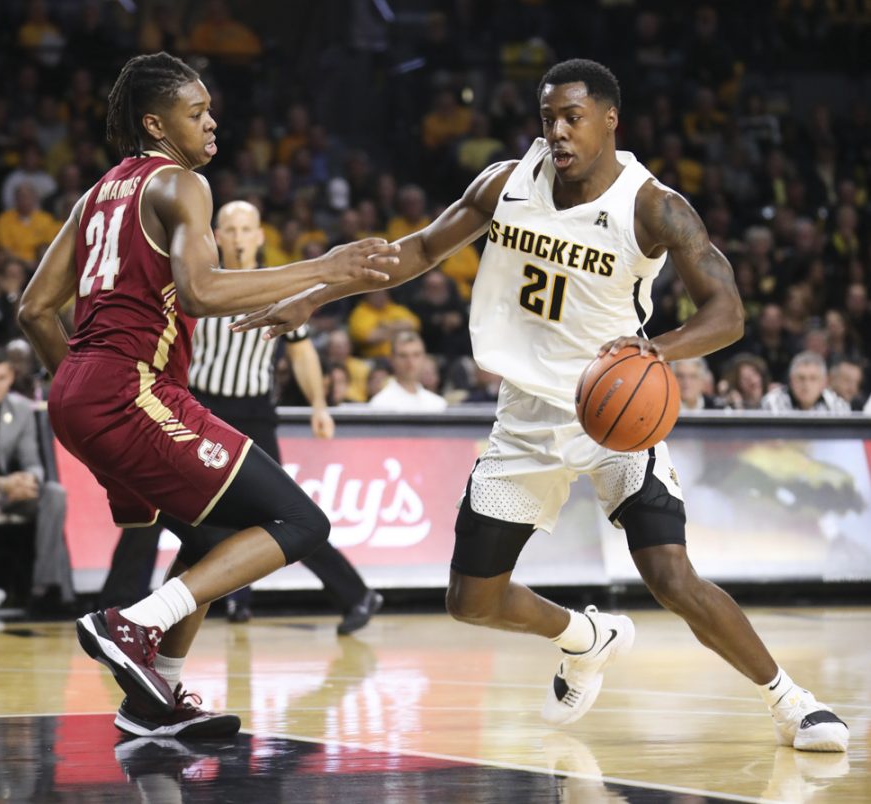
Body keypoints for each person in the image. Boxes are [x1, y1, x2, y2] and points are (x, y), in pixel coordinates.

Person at [236, 59, 848, 752]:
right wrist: (317, 296)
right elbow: (417, 252)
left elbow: (728, 313)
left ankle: (792, 703)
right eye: (547, 117)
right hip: (526, 416)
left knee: (672, 575)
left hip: (615, 410)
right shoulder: (506, 182)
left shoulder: (653, 206)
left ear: (610, 119)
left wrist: (658, 351)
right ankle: (585, 637)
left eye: (572, 118)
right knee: (472, 602)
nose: (557, 130)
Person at [17, 52, 397, 739]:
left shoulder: (99, 193)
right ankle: (132, 624)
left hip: (78, 394)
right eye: (197, 112)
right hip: (131, 389)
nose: (211, 121)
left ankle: (154, 694)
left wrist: (76, 385)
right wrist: (326, 267)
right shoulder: (182, 184)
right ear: (156, 124)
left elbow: (34, 311)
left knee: (213, 535)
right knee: (304, 523)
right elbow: (202, 291)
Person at [101, 200, 384, 633]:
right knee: (154, 504)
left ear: (258, 237)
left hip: (253, 415)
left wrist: (319, 406)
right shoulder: (195, 280)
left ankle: (355, 594)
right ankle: (118, 603)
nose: (235, 237)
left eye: (244, 229)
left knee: (285, 515)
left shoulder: (279, 283)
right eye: (228, 229)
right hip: (194, 406)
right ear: (215, 235)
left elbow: (302, 351)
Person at [0, 347, 74, 611]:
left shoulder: (21, 410)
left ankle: (45, 589)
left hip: (8, 496)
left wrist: (28, 481)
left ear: (10, 377)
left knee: (53, 493)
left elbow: (33, 463)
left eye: (1, 378)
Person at [368, 331, 448, 412]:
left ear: (424, 358)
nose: (410, 361)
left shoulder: (438, 404)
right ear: (391, 359)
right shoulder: (380, 404)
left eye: (416, 355)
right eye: (403, 356)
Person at [761, 352, 851, 413]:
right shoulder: (772, 402)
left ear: (824, 383)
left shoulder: (838, 405)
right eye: (801, 378)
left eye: (813, 378)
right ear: (791, 381)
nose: (806, 384)